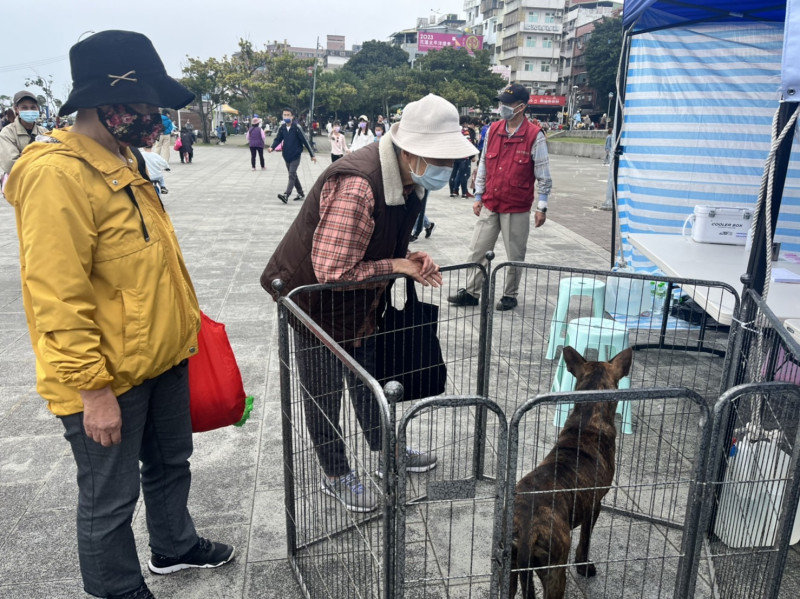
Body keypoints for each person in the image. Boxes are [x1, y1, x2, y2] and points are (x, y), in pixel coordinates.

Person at [4, 30, 234, 599]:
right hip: (108, 375)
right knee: (109, 497)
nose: (154, 118)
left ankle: (174, 546)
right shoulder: (56, 174)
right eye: (146, 107)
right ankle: (117, 589)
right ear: (108, 104)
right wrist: (92, 390)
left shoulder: (122, 155)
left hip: (161, 357)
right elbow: (56, 293)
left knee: (171, 463)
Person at [261, 93, 478, 512]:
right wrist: (397, 263)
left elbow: (379, 239)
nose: (449, 169)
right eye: (443, 159)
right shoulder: (359, 184)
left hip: (362, 303)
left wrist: (409, 256)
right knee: (325, 395)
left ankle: (388, 452)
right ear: (411, 151)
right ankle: (335, 473)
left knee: (371, 382)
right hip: (316, 304)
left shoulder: (410, 180)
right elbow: (333, 272)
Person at [448, 83, 552, 312]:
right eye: (501, 102)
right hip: (490, 202)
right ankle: (471, 292)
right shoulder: (494, 129)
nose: (502, 107)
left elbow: (543, 175)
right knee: (477, 249)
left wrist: (541, 206)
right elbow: (484, 163)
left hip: (516, 206)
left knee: (514, 253)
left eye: (508, 103)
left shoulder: (535, 135)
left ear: (521, 106)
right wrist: (477, 195)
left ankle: (509, 295)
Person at [268, 107, 316, 203]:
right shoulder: (282, 128)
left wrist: (312, 155)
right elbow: (278, 139)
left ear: (292, 116)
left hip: (295, 155)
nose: (286, 116)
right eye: (284, 115)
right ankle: (301, 193)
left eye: (288, 115)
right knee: (293, 175)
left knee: (291, 174)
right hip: (286, 155)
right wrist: (272, 147)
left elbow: (305, 141)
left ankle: (286, 195)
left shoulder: (297, 128)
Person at [0, 90, 49, 178]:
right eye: (24, 108)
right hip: (20, 184)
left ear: (38, 108)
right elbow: (11, 165)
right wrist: (42, 158)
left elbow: (54, 157)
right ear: (16, 109)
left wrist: (24, 156)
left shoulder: (44, 131)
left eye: (33, 107)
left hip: (43, 180)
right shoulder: (7, 133)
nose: (29, 110)